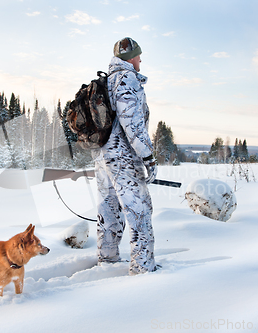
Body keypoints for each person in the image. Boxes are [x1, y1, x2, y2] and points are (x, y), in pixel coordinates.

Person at [92, 37, 158, 275]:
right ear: (131, 57)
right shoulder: (126, 78)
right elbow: (133, 122)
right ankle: (143, 266)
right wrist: (148, 156)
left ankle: (107, 259)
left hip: (103, 156)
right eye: (139, 55)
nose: (141, 59)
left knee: (108, 207)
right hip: (123, 156)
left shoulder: (107, 80)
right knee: (139, 209)